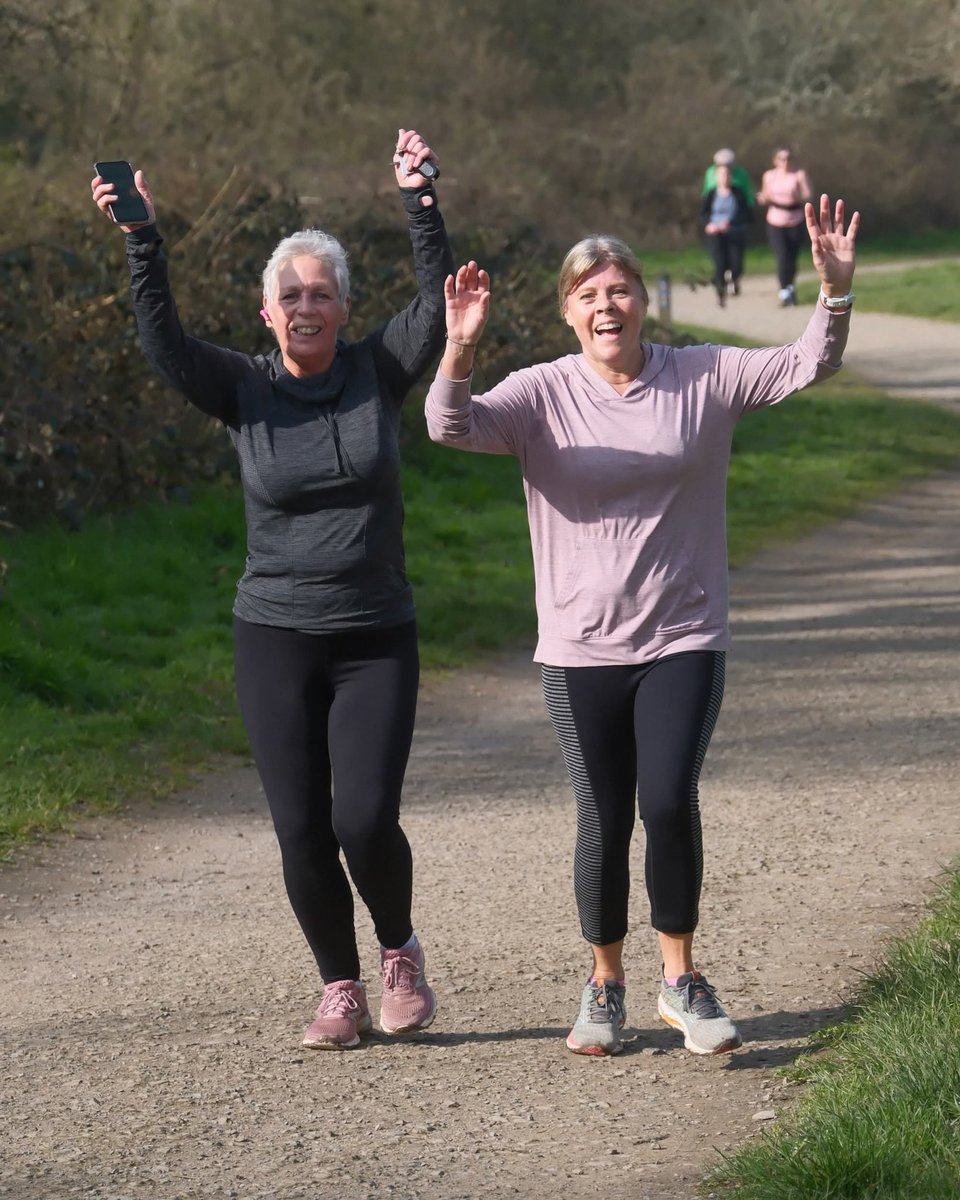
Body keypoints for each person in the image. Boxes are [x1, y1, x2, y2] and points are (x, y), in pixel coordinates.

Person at [425, 196, 859, 1058]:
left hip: (682, 635)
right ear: (567, 311)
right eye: (588, 294)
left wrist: (835, 292)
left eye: (619, 289)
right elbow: (449, 424)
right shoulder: (541, 393)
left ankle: (680, 980)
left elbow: (808, 361)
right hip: (579, 645)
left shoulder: (704, 376)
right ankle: (604, 984)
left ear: (642, 301)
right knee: (603, 814)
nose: (606, 306)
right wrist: (461, 348)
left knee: (665, 799)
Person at [91, 128, 454, 1051]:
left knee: (363, 818)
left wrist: (420, 201)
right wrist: (142, 240)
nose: (306, 306)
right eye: (290, 295)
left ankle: (400, 951)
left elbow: (435, 307)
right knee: (300, 826)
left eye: (321, 293)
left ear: (344, 307)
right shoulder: (242, 389)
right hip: (275, 635)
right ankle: (341, 987)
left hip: (375, 633)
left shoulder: (377, 371)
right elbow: (165, 344)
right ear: (266, 311)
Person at [756, 147, 813, 306]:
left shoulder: (799, 175)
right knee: (782, 256)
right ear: (775, 161)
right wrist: (762, 198)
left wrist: (797, 195)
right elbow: (765, 194)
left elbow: (808, 194)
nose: (786, 161)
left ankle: (790, 287)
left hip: (795, 219)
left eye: (788, 158)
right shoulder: (769, 176)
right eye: (782, 159)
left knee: (792, 257)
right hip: (775, 220)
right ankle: (783, 291)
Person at [699, 162, 752, 305]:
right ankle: (720, 292)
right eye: (722, 174)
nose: (725, 177)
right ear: (716, 177)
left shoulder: (738, 193)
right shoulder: (711, 194)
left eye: (727, 174)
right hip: (715, 234)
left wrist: (730, 222)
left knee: (736, 265)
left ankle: (733, 279)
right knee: (719, 264)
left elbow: (746, 215)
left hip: (734, 233)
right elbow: (703, 214)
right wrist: (709, 225)